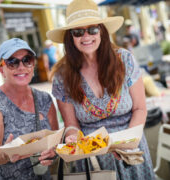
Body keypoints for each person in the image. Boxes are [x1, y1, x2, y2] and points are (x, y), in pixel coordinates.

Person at [47, 0, 155, 179]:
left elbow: (140, 109)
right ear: (70, 37)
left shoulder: (124, 60)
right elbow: (71, 124)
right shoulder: (62, 76)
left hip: (131, 150)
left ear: (102, 31)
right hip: (94, 159)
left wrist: (127, 142)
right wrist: (72, 136)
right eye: (78, 31)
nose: (86, 36)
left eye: (93, 29)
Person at [0, 38, 59, 180]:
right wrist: (6, 154)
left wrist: (52, 153)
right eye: (12, 62)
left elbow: (56, 142)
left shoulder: (44, 99)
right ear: (1, 69)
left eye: (27, 60)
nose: (21, 67)